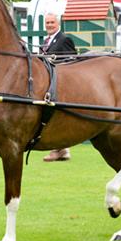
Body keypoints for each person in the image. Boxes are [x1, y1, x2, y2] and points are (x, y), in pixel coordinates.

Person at [41, 13, 77, 162]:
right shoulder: (46, 41)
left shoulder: (64, 39)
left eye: (52, 22)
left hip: (60, 83)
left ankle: (59, 150)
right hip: (49, 82)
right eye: (47, 22)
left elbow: (71, 60)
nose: (49, 25)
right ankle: (62, 150)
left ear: (58, 24)